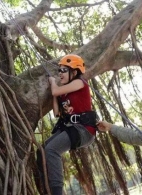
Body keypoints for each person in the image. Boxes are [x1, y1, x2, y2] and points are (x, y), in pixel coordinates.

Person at [36, 54, 97, 195]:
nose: (60, 74)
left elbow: (55, 89)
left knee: (51, 150)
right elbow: (57, 113)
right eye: (59, 71)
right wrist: (56, 96)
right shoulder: (64, 93)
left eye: (64, 70)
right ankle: (47, 188)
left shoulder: (80, 82)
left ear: (74, 72)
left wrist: (53, 83)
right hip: (71, 128)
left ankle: (57, 191)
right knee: (42, 150)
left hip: (84, 130)